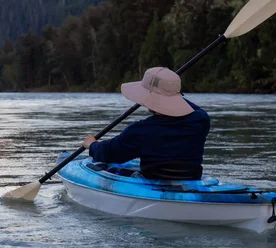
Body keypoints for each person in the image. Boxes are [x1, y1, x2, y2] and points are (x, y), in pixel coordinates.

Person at [82, 67, 210, 180]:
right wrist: (172, 92)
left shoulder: (140, 130)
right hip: (191, 178)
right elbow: (195, 110)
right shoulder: (200, 121)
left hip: (153, 180)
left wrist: (92, 145)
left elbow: (110, 153)